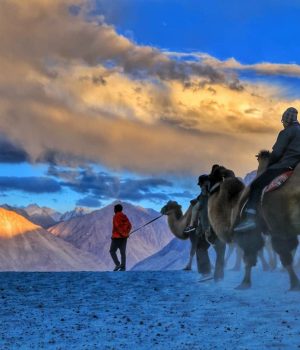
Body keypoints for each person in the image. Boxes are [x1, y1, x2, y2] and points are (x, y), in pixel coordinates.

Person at [235, 107, 300, 232]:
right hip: (297, 167)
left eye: (283, 121)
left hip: (284, 166)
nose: (283, 124)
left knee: (256, 185)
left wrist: (269, 164)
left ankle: (250, 218)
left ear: (286, 120)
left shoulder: (286, 132)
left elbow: (277, 153)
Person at [109, 204, 132, 271]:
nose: (113, 210)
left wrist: (122, 234)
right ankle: (123, 267)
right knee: (123, 252)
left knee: (112, 251)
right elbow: (130, 226)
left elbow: (117, 227)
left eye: (114, 209)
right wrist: (126, 233)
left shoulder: (115, 216)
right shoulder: (124, 216)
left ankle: (118, 264)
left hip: (116, 237)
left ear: (116, 209)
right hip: (124, 238)